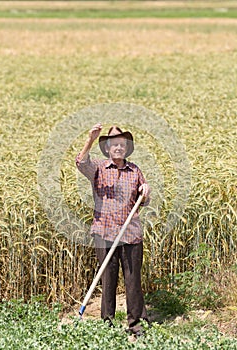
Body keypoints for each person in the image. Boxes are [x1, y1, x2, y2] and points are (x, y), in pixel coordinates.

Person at [76, 123, 151, 336]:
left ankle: (136, 324)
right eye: (114, 144)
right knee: (108, 279)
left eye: (121, 144)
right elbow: (81, 162)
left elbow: (144, 200)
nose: (118, 148)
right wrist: (90, 138)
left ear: (126, 148)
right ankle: (107, 324)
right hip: (104, 233)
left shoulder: (135, 170)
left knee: (132, 280)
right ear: (107, 148)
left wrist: (146, 191)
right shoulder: (99, 169)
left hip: (131, 234)